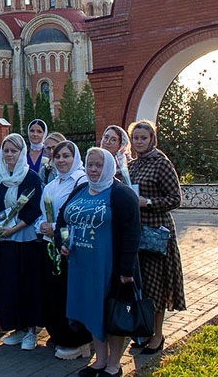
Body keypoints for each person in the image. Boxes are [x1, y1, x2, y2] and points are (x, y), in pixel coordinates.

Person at [55, 148, 141, 377]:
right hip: (81, 268)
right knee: (91, 311)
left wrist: (126, 269)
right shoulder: (81, 189)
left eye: (98, 165)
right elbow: (62, 220)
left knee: (111, 313)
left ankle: (114, 364)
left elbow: (132, 233)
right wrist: (61, 242)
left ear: (109, 167)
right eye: (90, 165)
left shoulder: (121, 194)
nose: (93, 170)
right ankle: (99, 361)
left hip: (109, 268)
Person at [128, 120, 185, 355]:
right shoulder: (132, 165)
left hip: (156, 234)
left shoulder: (161, 164)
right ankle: (144, 331)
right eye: (136, 138)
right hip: (135, 233)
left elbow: (176, 198)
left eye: (143, 138)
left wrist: (148, 202)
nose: (139, 142)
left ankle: (158, 335)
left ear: (152, 139)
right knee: (139, 286)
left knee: (155, 286)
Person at [36, 141, 93, 360]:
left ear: (75, 157)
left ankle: (78, 340)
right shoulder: (51, 185)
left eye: (66, 156)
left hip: (73, 247)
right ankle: (60, 334)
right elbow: (43, 214)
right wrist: (41, 226)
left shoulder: (81, 181)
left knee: (71, 294)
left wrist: (56, 230)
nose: (61, 160)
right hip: (50, 246)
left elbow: (83, 215)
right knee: (55, 294)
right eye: (57, 156)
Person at [0, 134, 44, 351]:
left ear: (21, 153)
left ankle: (31, 330)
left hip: (26, 237)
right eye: (6, 150)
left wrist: (15, 228)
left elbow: (35, 209)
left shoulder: (30, 177)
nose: (10, 154)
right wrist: (0, 229)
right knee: (10, 283)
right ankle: (16, 328)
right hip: (6, 240)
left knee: (27, 283)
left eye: (14, 151)